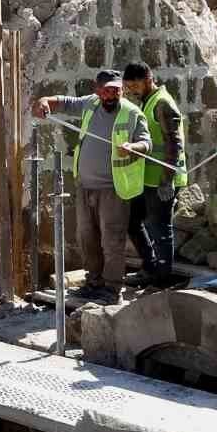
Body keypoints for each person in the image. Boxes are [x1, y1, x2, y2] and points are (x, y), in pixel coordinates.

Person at [33, 70, 151, 301]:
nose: (111, 95)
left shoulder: (132, 113)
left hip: (113, 189)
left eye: (115, 90)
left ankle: (112, 289)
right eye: (106, 90)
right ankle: (93, 282)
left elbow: (146, 143)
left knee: (112, 241)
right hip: (86, 186)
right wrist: (44, 101)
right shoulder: (90, 104)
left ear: (122, 90)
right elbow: (63, 102)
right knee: (87, 238)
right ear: (96, 90)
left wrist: (133, 148)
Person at [122, 62, 186, 284]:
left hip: (162, 179)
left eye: (135, 85)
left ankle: (162, 280)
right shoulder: (147, 102)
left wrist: (167, 181)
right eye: (129, 86)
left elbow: (174, 144)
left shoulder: (162, 103)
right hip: (147, 179)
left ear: (149, 80)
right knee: (132, 221)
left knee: (160, 228)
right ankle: (150, 267)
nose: (132, 91)